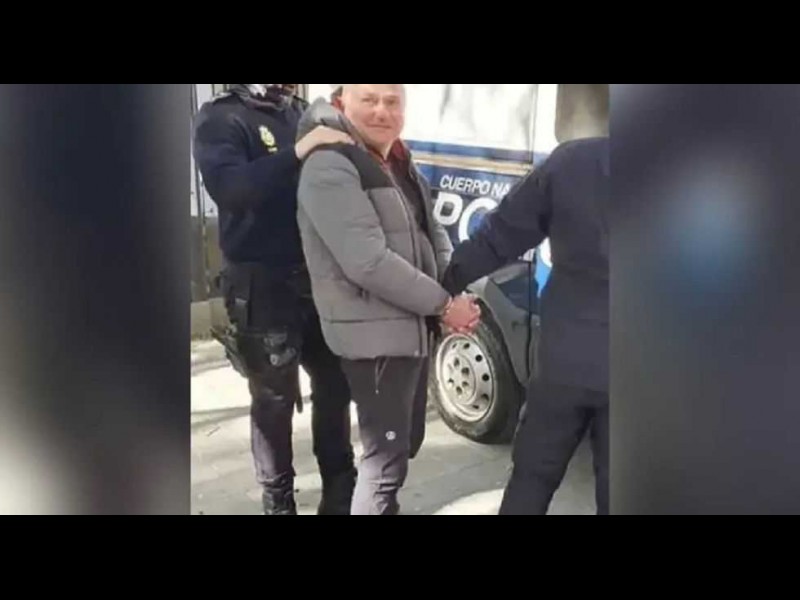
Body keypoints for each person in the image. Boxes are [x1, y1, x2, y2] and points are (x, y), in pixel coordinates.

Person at [295, 84, 480, 515]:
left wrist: (452, 288)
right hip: (374, 339)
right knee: (384, 467)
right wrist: (442, 305)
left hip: (404, 329)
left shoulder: (394, 157)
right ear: (341, 103)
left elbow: (430, 230)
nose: (382, 111)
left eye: (392, 101)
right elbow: (368, 262)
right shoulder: (331, 164)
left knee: (398, 451)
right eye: (369, 99)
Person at [192, 83, 358, 515]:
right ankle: (278, 502)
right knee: (274, 401)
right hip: (261, 285)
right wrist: (300, 150)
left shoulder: (297, 111)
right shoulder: (221, 117)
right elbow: (231, 190)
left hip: (318, 277)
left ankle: (341, 493)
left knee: (336, 386)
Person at [440, 132, 610, 515]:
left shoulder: (571, 162)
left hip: (564, 362)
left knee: (532, 478)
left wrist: (441, 289)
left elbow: (498, 236)